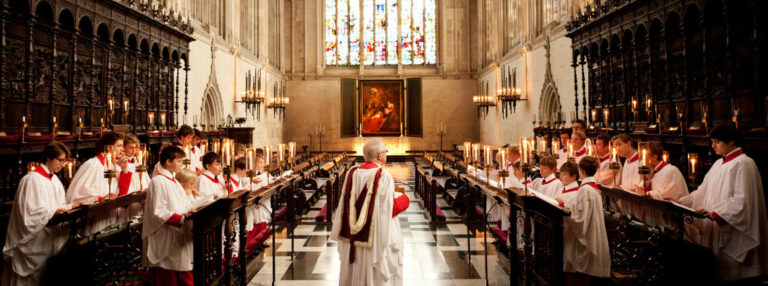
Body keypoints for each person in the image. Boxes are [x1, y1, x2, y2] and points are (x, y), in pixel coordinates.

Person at [678, 125, 768, 282]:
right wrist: (678, 202)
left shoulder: (744, 163)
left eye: (717, 142)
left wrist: (716, 214)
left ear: (731, 141)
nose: (713, 146)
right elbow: (702, 192)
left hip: (731, 227)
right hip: (715, 227)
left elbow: (743, 200)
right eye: (712, 142)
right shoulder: (718, 164)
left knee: (735, 272)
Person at [331, 138, 409, 286]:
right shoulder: (384, 176)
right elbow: (388, 210)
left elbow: (344, 204)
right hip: (375, 237)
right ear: (379, 156)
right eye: (385, 151)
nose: (386, 154)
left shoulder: (351, 173)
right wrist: (405, 200)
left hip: (352, 235)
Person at [2, 142, 80, 285]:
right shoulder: (32, 179)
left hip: (49, 234)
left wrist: (71, 206)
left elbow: (58, 206)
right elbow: (29, 213)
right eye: (60, 160)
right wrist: (54, 212)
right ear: (48, 158)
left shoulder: (54, 178)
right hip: (35, 238)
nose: (63, 164)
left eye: (65, 161)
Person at [142, 145, 197, 286]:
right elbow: (159, 211)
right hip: (165, 234)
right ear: (168, 161)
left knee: (180, 269)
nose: (181, 165)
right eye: (179, 161)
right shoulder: (158, 182)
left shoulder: (173, 181)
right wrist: (182, 218)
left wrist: (190, 210)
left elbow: (182, 204)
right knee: (168, 274)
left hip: (177, 231)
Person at [558, 157, 611, 283]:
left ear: (581, 170)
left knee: (579, 270)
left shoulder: (585, 189)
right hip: (591, 230)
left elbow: (580, 218)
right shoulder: (593, 187)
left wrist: (561, 206)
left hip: (585, 235)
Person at [66, 132, 128, 234]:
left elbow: (122, 192)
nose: (123, 149)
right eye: (119, 146)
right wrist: (100, 199)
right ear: (108, 148)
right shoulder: (92, 165)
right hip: (96, 219)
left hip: (112, 216)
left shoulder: (114, 166)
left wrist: (124, 170)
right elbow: (77, 195)